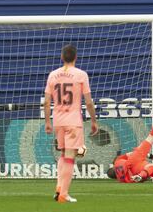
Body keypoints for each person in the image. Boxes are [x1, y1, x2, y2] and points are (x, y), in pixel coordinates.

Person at [44, 44, 98, 203]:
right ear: (75, 57)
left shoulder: (53, 75)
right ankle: (64, 194)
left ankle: (59, 188)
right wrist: (94, 121)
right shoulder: (81, 75)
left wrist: (48, 122)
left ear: (62, 57)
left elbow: (47, 102)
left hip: (58, 121)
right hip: (73, 121)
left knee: (62, 154)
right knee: (69, 156)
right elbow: (88, 102)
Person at [107, 101, 153, 183]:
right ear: (113, 167)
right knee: (152, 135)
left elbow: (132, 179)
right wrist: (151, 156)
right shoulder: (117, 161)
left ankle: (152, 169)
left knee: (152, 167)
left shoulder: (122, 180)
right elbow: (130, 154)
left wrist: (142, 176)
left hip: (134, 171)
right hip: (135, 157)